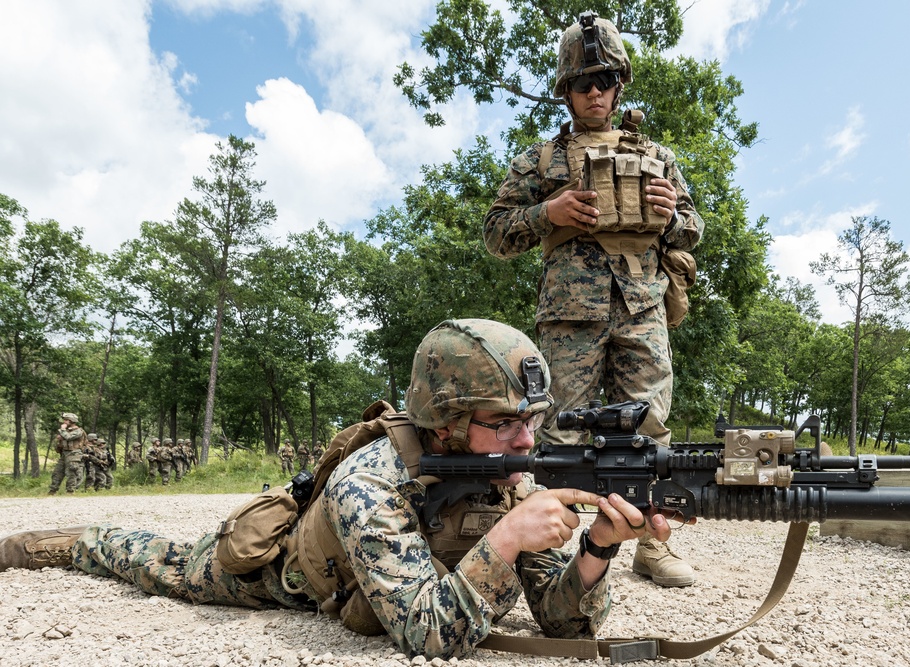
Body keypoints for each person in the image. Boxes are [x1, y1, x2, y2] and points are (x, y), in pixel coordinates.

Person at [0, 319, 675, 660]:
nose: (526, 442)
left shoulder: (512, 470)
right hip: (279, 569)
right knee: (156, 563)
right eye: (502, 424)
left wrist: (598, 546)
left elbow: (564, 622)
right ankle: (58, 543)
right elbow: (426, 633)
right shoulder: (370, 480)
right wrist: (504, 539)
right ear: (444, 422)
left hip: (406, 573)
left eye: (529, 421)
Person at [483, 12, 704, 588]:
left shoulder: (657, 156)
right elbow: (496, 232)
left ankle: (653, 546)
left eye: (606, 80)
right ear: (566, 91)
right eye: (584, 83)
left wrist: (672, 214)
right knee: (560, 437)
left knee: (650, 433)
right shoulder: (542, 160)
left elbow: (694, 228)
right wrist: (545, 213)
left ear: (620, 83)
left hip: (641, 307)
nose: (596, 92)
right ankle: (554, 551)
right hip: (568, 318)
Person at [48, 413, 86, 495]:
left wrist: (62, 430)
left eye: (66, 420)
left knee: (71, 473)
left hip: (74, 454)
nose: (64, 422)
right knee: (57, 472)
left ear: (71, 421)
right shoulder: (66, 431)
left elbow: (69, 437)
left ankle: (70, 491)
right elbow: (61, 442)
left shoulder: (78, 431)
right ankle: (52, 490)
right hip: (64, 454)